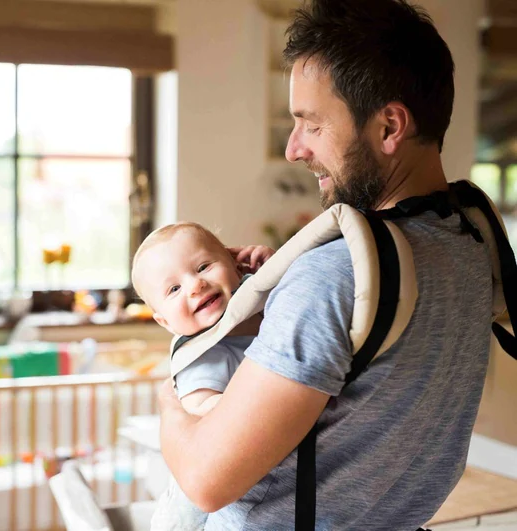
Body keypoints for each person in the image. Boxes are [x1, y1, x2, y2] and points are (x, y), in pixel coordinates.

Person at [157, 0, 494, 529]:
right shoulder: (473, 247)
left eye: (310, 125)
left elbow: (205, 480)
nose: (293, 149)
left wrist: (172, 389)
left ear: (389, 127)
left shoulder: (335, 275)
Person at [131, 222, 272, 530]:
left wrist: (273, 265)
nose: (195, 285)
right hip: (195, 497)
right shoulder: (202, 354)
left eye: (204, 266)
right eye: (173, 289)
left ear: (236, 265)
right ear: (164, 321)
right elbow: (200, 408)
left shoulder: (261, 298)